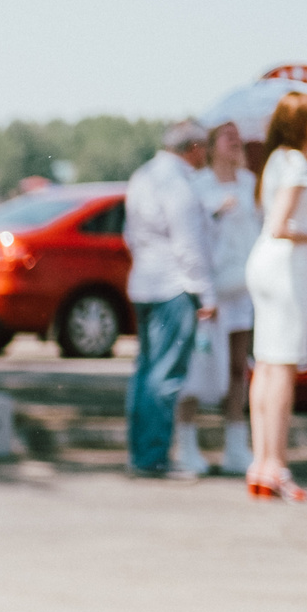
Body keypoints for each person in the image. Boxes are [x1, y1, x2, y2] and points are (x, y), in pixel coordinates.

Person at [241, 90, 307, 500]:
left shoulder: (278, 160)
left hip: (268, 262)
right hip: (283, 266)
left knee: (265, 364)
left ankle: (262, 463)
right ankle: (276, 464)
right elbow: (282, 224)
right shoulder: (296, 163)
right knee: (280, 367)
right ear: (299, 123)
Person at [121, 119, 216, 478]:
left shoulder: (143, 176)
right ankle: (153, 456)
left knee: (146, 372)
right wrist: (205, 294)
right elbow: (189, 245)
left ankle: (142, 451)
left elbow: (130, 234)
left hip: (144, 282)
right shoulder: (178, 184)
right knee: (165, 374)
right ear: (193, 148)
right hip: (173, 287)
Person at [194, 122, 259, 473]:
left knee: (239, 367)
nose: (235, 142)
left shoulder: (250, 183)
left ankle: (236, 445)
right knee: (201, 366)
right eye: (228, 136)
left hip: (243, 286)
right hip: (212, 288)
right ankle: (187, 442)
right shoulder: (200, 184)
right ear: (212, 143)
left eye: (239, 137)